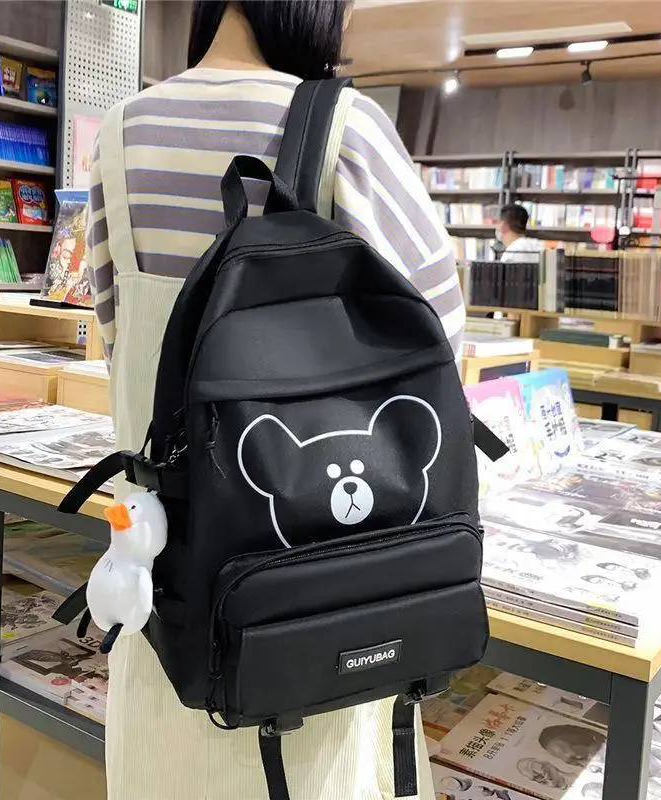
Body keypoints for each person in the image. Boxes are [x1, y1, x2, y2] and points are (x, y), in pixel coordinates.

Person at [85, 1, 464, 797]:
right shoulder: (345, 129)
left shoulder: (120, 132)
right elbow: (439, 343)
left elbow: (120, 342)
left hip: (160, 584)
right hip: (309, 601)